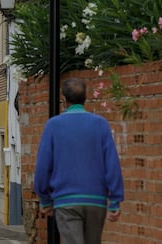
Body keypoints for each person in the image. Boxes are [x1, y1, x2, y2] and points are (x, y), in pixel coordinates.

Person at [34, 78, 124, 244]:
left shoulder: (53, 125)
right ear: (85, 98)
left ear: (63, 100)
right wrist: (115, 200)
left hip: (66, 200)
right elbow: (112, 163)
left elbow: (43, 165)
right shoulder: (101, 124)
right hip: (96, 201)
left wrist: (45, 198)